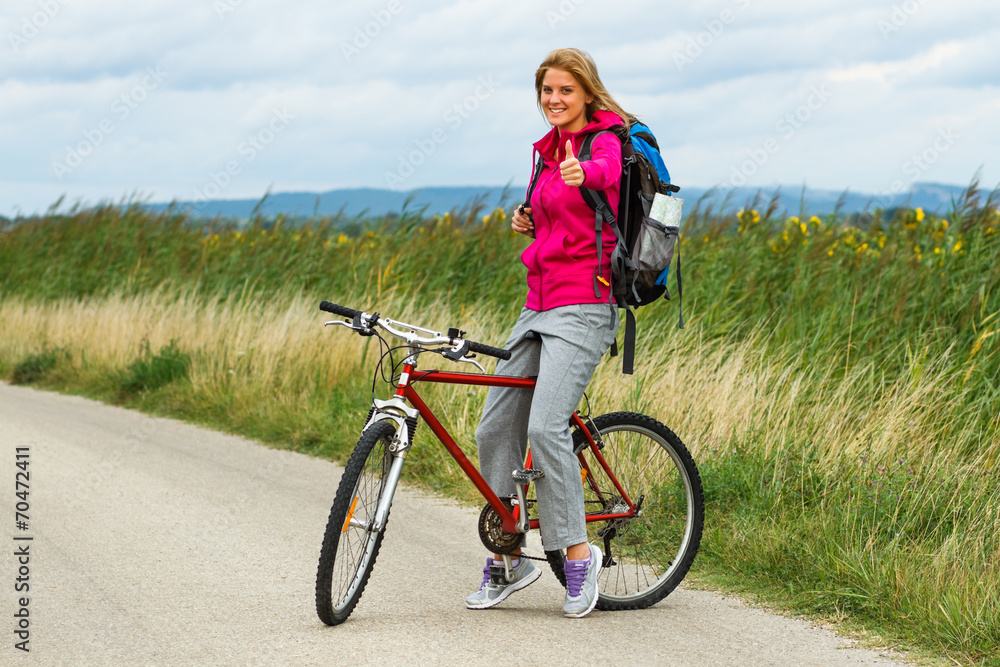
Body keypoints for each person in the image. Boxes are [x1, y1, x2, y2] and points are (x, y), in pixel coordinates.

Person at [465, 48, 630, 619]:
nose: (554, 101)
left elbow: (604, 173)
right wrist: (528, 217)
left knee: (545, 424)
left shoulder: (603, 139)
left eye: (565, 91)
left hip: (586, 302)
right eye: (547, 92)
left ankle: (579, 556)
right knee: (494, 425)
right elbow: (563, 211)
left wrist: (588, 172)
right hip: (537, 301)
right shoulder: (544, 153)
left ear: (586, 93)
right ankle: (511, 557)